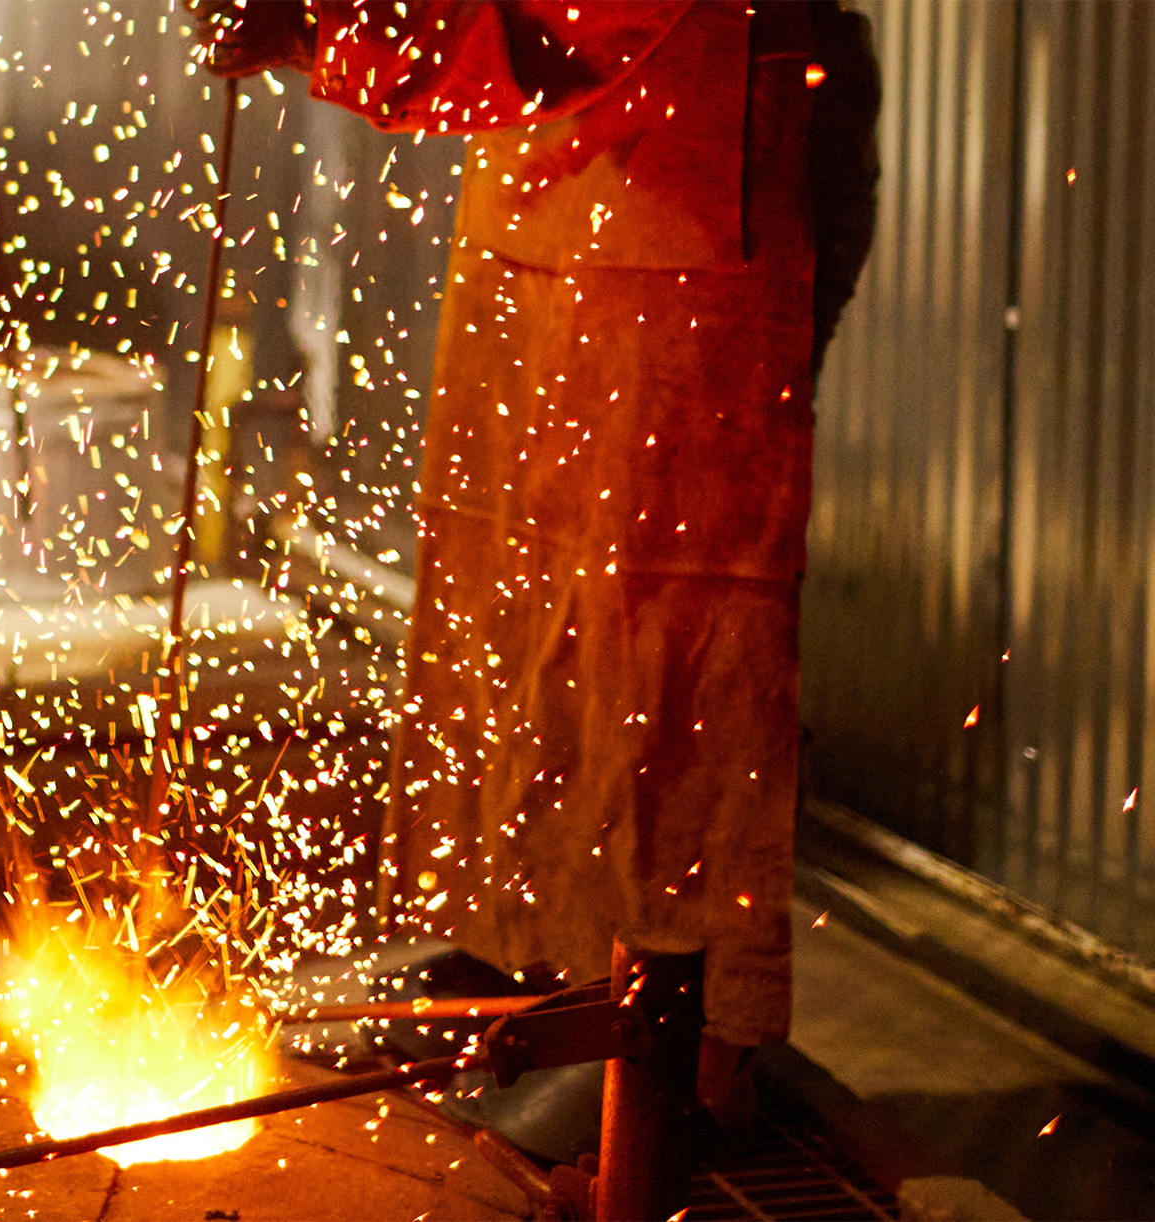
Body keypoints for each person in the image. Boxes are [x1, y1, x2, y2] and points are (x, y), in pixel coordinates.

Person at [195, 0, 877, 1132]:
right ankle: (529, 973)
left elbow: (571, 25)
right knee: (512, 574)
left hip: (690, 144)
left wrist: (322, 26)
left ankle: (671, 1045)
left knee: (661, 616)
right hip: (559, 164)